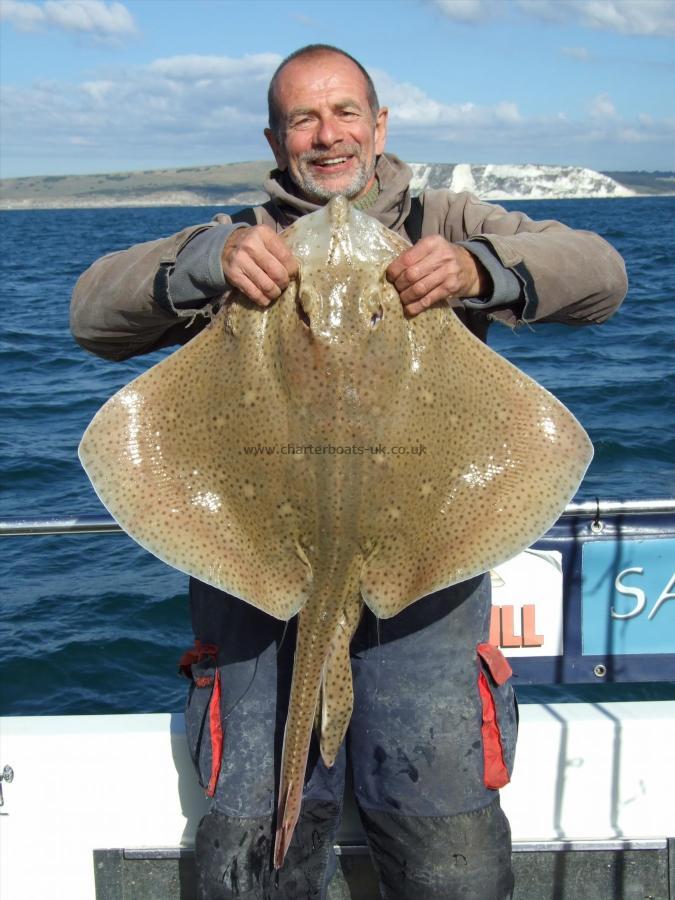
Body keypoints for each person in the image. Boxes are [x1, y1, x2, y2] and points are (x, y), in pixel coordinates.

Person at [71, 44, 627, 900]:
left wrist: (483, 271)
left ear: (378, 127)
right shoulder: (231, 241)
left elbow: (602, 275)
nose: (327, 136)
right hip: (252, 604)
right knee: (253, 855)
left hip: (424, 606)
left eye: (343, 114)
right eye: (303, 118)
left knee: (450, 860)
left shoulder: (447, 219)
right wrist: (201, 263)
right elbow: (90, 313)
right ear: (275, 136)